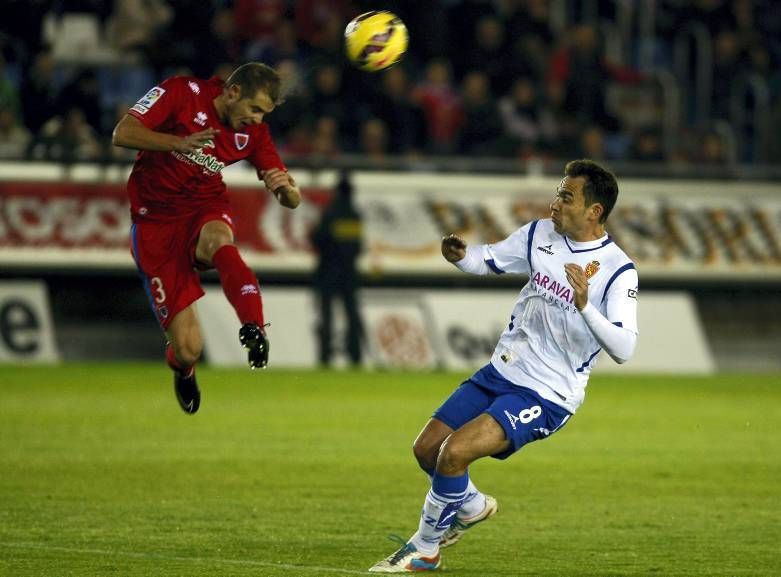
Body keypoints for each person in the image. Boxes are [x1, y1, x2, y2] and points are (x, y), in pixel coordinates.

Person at [369, 159, 638, 572]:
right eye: (557, 192)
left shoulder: (617, 271)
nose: (555, 203)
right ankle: (472, 505)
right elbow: (489, 259)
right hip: (500, 372)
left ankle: (425, 549)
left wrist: (585, 306)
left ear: (594, 211)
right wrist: (460, 256)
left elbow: (624, 347)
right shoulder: (539, 234)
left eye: (566, 196)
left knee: (453, 453)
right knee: (426, 449)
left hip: (547, 393)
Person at [112, 62, 301, 415]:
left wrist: (287, 191)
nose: (258, 120)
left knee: (219, 241)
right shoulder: (182, 93)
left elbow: (290, 195)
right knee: (188, 348)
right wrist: (177, 143)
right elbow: (122, 132)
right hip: (155, 223)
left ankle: (254, 327)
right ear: (232, 93)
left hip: (204, 206)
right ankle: (184, 369)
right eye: (255, 109)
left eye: (265, 113)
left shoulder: (254, 134)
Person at [311, 172, 364, 366]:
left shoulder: (330, 214)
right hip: (349, 274)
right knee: (351, 314)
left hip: (327, 272)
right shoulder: (355, 216)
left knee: (326, 317)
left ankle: (325, 356)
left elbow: (318, 240)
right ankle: (355, 355)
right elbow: (358, 247)